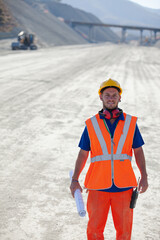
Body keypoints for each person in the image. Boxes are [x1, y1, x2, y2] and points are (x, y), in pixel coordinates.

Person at [70, 78, 148, 240]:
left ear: (120, 98)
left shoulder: (130, 123)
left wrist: (144, 176)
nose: (111, 98)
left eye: (114, 95)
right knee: (94, 231)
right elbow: (83, 153)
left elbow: (138, 151)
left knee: (125, 232)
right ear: (101, 97)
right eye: (107, 95)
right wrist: (75, 179)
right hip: (98, 186)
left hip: (124, 187)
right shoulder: (91, 124)